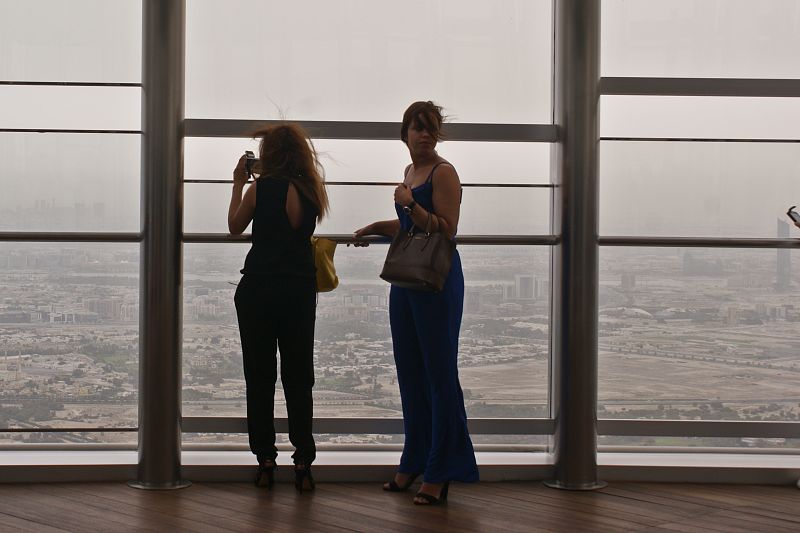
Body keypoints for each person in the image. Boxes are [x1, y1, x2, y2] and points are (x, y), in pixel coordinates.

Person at [354, 101, 479, 505]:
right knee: (409, 372)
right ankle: (415, 460)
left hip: (436, 283)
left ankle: (440, 472)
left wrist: (409, 203)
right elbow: (410, 227)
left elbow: (445, 230)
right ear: (405, 134)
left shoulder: (445, 173)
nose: (424, 135)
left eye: (431, 128)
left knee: (439, 375)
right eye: (417, 128)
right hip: (407, 281)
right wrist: (377, 226)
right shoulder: (411, 173)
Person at [228, 123, 329, 493]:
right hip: (298, 291)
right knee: (299, 377)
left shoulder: (260, 188)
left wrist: (239, 183)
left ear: (269, 154)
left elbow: (235, 227)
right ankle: (303, 459)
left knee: (259, 377)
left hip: (257, 289)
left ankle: (265, 460)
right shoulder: (310, 190)